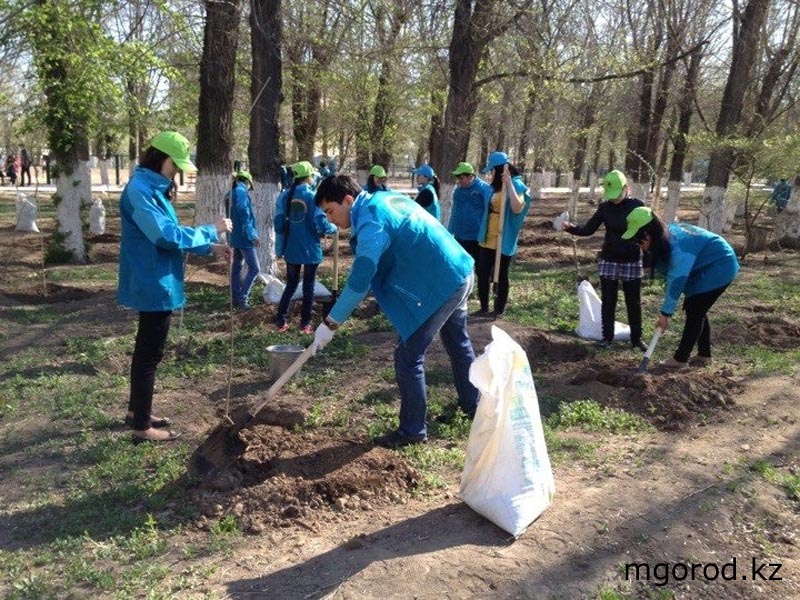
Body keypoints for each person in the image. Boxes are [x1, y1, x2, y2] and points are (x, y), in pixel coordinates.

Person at [311, 175, 479, 448]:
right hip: (457, 268)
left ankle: (413, 431)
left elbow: (361, 279)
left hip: (442, 283)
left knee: (408, 356)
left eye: (330, 211)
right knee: (457, 343)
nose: (330, 219)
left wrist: (330, 323)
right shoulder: (379, 200)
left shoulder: (371, 221)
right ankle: (473, 407)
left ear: (348, 200)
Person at [117, 131, 232, 443]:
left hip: (157, 276)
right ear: (161, 158)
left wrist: (210, 248)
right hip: (152, 280)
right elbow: (165, 235)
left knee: (147, 352)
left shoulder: (151, 187)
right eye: (175, 164)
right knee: (149, 354)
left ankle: (135, 412)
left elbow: (172, 234)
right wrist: (211, 230)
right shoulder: (141, 190)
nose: (177, 170)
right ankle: (142, 426)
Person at [621, 206, 739, 369]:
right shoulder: (664, 239)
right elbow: (670, 273)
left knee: (695, 309)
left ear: (649, 233)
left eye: (639, 239)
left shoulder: (678, 247)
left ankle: (681, 359)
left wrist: (665, 315)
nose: (638, 244)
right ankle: (704, 355)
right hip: (703, 266)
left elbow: (677, 279)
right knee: (697, 308)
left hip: (719, 266)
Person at [562, 169, 647, 350]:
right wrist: (570, 228)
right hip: (609, 259)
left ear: (625, 188)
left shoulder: (638, 206)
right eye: (611, 196)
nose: (613, 199)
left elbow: (648, 233)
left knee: (634, 301)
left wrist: (650, 256)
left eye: (616, 195)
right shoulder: (605, 208)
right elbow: (588, 229)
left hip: (631, 260)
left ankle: (636, 338)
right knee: (609, 300)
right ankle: (606, 337)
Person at [274, 160, 338, 333]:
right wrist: (333, 228)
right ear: (309, 176)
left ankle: (280, 321)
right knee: (308, 286)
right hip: (310, 249)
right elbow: (320, 221)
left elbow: (278, 224)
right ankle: (305, 324)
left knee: (291, 285)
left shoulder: (285, 196)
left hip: (291, 249)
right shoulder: (312, 196)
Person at [474, 152, 532, 318]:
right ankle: (483, 307)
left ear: (499, 170)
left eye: (492, 170)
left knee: (501, 273)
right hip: (488, 235)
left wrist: (510, 185)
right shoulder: (495, 186)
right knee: (483, 272)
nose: (490, 174)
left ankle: (498, 309)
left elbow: (517, 208)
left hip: (503, 237)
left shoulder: (516, 184)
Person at [229, 170, 260, 310]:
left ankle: (235, 297)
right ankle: (243, 298)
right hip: (244, 236)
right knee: (254, 268)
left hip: (235, 235)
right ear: (247, 182)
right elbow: (243, 211)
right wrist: (252, 235)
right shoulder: (241, 192)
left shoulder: (231, 192)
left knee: (236, 267)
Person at [448, 161, 491, 265]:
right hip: (460, 235)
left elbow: (490, 210)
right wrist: (450, 230)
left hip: (477, 236)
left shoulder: (483, 188)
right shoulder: (458, 191)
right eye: (458, 178)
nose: (459, 181)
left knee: (481, 267)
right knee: (460, 266)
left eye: (461, 178)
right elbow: (455, 211)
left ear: (470, 176)